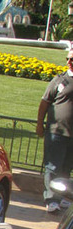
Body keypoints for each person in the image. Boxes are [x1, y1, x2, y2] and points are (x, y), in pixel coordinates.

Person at [36, 48, 73, 213]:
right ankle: (51, 199)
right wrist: (39, 123)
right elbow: (44, 102)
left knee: (67, 167)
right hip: (56, 132)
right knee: (53, 167)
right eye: (69, 59)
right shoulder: (59, 80)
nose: (70, 62)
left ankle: (64, 196)